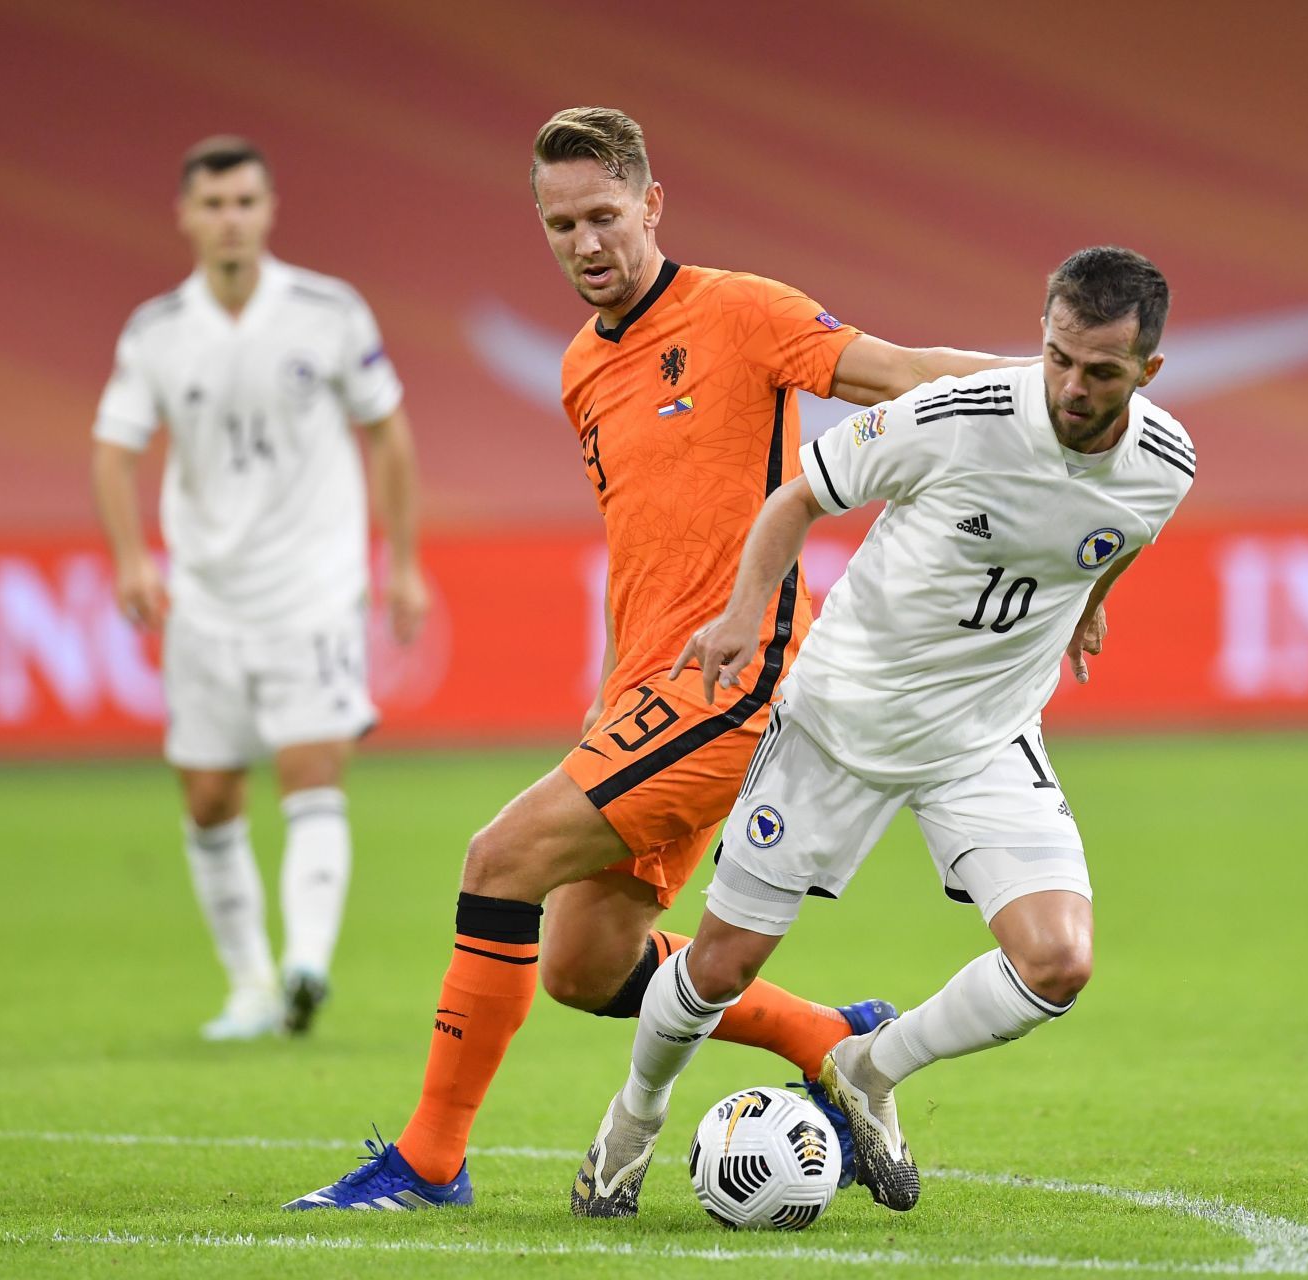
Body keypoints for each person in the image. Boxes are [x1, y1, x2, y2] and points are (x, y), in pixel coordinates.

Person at [286, 106, 1033, 1212]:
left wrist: (1067, 393)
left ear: (652, 203)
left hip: (739, 679)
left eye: (603, 215)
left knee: (498, 861)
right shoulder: (581, 368)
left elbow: (904, 374)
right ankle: (839, 1037)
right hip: (642, 687)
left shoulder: (744, 311)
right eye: (559, 225)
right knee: (585, 964)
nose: (586, 243)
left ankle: (428, 1161)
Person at [570, 245, 1192, 1218]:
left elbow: (1122, 531)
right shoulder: (958, 419)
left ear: (1147, 373)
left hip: (982, 735)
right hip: (838, 721)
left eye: (1101, 371)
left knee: (1059, 962)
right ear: (1043, 335)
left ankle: (867, 1066)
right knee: (720, 966)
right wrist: (742, 614)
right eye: (1057, 357)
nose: (1071, 385)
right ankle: (632, 1121)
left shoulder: (1167, 462)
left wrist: (1088, 599)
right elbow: (798, 496)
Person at [91, 136, 429, 1041]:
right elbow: (113, 449)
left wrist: (399, 562)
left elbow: (388, 433)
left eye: (245, 201)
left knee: (311, 770)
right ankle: (247, 987)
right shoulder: (156, 331)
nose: (230, 218)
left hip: (313, 586)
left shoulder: (328, 312)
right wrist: (131, 559)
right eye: (213, 204)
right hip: (205, 594)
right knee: (207, 796)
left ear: (269, 209)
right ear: (187, 217)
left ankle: (305, 967)